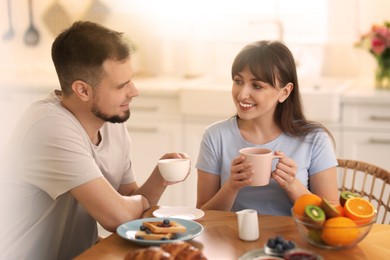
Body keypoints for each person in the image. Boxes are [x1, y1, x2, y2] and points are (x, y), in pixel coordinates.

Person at [0, 21, 188, 260]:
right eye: (121, 85)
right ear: (83, 90)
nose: (134, 91)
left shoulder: (109, 122)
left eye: (130, 80)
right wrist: (133, 203)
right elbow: (117, 217)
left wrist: (160, 177)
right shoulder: (48, 126)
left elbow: (131, 203)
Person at [196, 40, 339, 216]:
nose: (242, 94)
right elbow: (202, 214)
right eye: (238, 81)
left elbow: (332, 215)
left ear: (284, 92)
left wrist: (292, 185)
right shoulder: (215, 136)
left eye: (257, 86)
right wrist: (231, 186)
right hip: (232, 239)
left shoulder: (314, 139)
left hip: (293, 241)